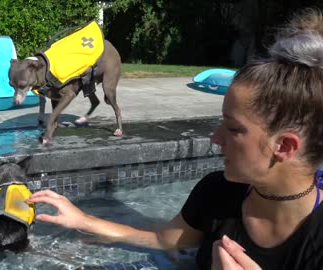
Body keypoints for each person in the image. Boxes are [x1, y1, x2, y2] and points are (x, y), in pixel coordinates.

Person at [27, 8, 323, 270]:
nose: (215, 138)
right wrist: (84, 220)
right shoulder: (217, 193)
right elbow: (162, 239)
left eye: (233, 129)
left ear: (284, 146)